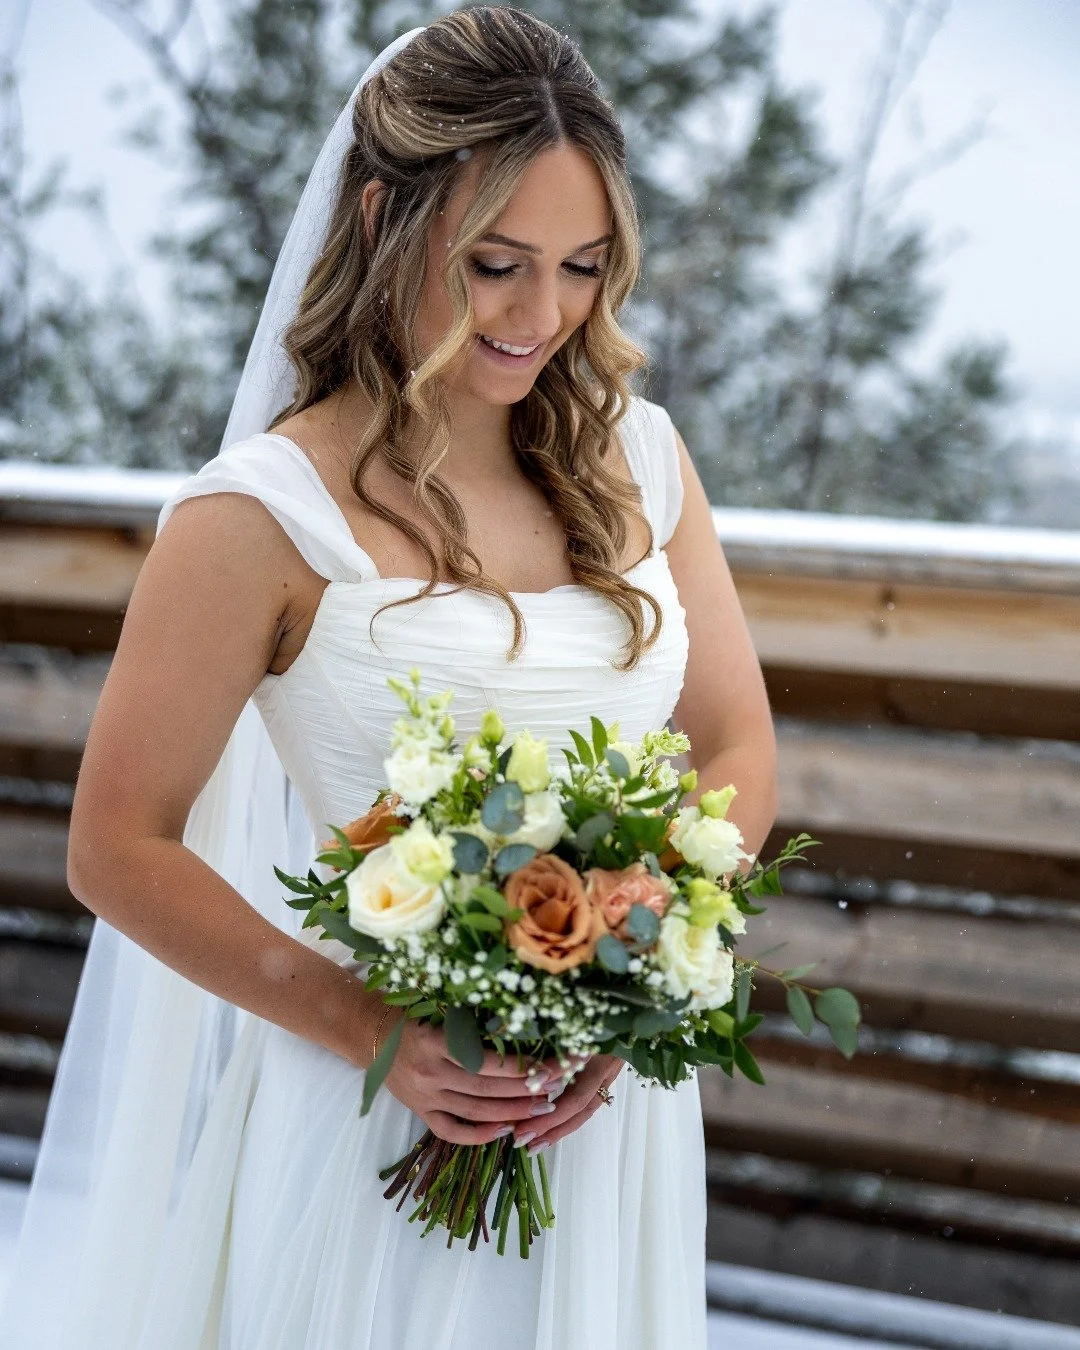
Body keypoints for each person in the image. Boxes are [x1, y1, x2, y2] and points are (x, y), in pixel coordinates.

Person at [2, 8, 777, 1347]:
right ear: (380, 217)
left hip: (607, 1120)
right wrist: (366, 1021)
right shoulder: (256, 515)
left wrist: (631, 964)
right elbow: (115, 844)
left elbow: (735, 744)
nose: (544, 315)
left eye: (584, 266)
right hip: (365, 1108)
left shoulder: (642, 461)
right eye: (495, 263)